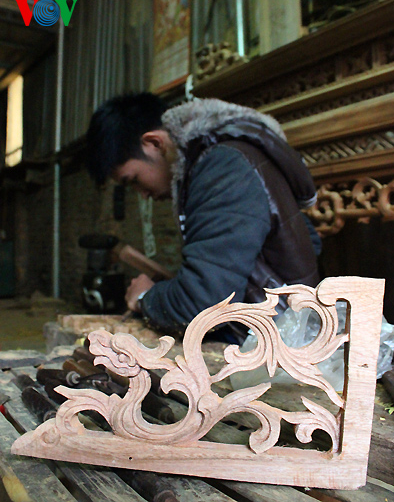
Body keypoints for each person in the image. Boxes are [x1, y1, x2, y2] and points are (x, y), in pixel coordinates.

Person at [86, 93, 320, 344]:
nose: (143, 194)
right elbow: (309, 241)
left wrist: (146, 297)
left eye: (134, 180)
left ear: (154, 143)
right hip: (277, 330)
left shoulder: (222, 167)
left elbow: (203, 305)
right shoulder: (231, 156)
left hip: (278, 345)